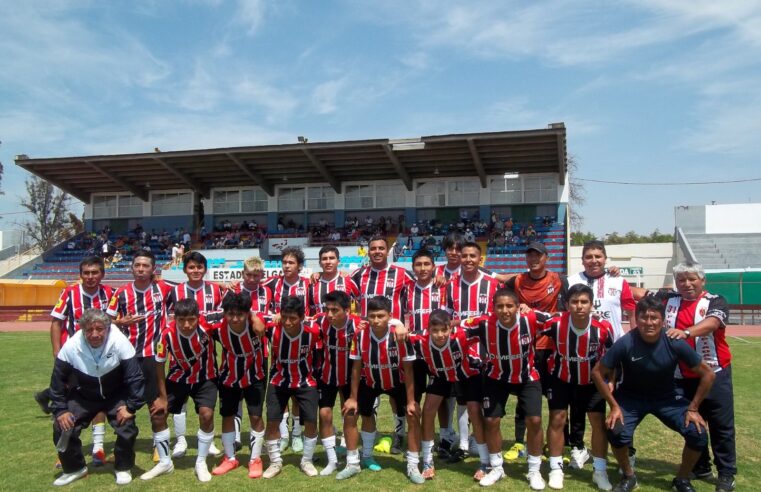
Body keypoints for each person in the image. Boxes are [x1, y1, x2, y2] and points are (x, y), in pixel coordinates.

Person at [592, 296, 715, 492]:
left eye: (654, 317)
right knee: (615, 431)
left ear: (663, 320)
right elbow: (597, 372)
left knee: (697, 433)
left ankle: (682, 480)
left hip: (667, 398)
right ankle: (629, 476)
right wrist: (614, 406)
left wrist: (693, 408)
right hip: (631, 399)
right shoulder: (626, 342)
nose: (649, 322)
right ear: (637, 319)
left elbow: (708, 374)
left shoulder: (674, 341)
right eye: (644, 317)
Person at [459, 288, 550, 489]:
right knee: (491, 420)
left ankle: (534, 470)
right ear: (493, 308)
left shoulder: (531, 318)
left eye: (510, 305)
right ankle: (497, 467)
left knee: (534, 420)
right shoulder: (484, 322)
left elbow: (559, 319)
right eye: (500, 306)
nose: (505, 310)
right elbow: (457, 325)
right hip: (496, 376)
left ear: (518, 307)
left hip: (527, 376)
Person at [658, 262, 736, 491]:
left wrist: (687, 332)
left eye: (692, 279)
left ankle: (726, 472)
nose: (687, 284)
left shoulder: (716, 300)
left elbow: (713, 323)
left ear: (702, 281)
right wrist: (615, 273)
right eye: (681, 280)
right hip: (680, 376)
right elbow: (639, 293)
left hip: (714, 373)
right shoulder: (669, 299)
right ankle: (701, 466)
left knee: (721, 426)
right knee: (692, 424)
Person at [49, 309, 145, 486]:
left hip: (116, 394)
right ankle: (75, 468)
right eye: (89, 330)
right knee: (61, 426)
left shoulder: (119, 341)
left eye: (99, 329)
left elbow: (135, 377)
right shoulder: (71, 346)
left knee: (127, 427)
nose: (94, 334)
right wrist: (61, 410)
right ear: (82, 329)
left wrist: (131, 407)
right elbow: (57, 381)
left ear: (107, 328)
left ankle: (123, 467)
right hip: (84, 394)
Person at [34, 256, 115, 466]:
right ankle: (64, 451)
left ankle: (98, 448)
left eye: (94, 272)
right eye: (86, 273)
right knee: (69, 403)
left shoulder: (110, 294)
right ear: (81, 275)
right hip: (74, 359)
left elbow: (116, 323)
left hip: (101, 358)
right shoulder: (70, 293)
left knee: (100, 400)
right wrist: (57, 353)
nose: (90, 277)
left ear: (102, 274)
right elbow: (56, 323)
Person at [565, 240, 636, 470]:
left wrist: (634, 340)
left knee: (619, 401)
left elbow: (631, 310)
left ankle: (627, 449)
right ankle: (578, 447)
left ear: (605, 258)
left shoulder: (619, 280)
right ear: (582, 259)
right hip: (581, 350)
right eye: (589, 256)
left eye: (598, 256)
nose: (594, 260)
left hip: (615, 351)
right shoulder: (571, 281)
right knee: (578, 403)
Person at [339, 296, 423, 484]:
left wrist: (410, 401)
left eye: (381, 316)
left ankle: (412, 464)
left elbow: (409, 370)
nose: (376, 320)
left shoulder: (399, 335)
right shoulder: (360, 335)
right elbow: (356, 368)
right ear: (366, 317)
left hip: (397, 382)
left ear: (390, 317)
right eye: (372, 316)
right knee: (352, 413)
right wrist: (352, 397)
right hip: (370, 382)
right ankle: (356, 461)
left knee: (413, 414)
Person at [540, 284, 614, 490]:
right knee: (557, 419)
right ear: (567, 304)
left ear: (591, 304)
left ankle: (600, 471)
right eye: (574, 302)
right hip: (561, 379)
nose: (579, 306)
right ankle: (555, 469)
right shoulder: (555, 323)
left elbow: (613, 357)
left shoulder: (603, 327)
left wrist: (612, 381)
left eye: (584, 302)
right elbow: (530, 327)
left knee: (598, 423)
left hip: (592, 382)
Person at [140, 299, 219, 483]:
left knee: (206, 415)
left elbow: (234, 313)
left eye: (191, 319)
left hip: (205, 379)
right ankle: (165, 462)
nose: (186, 325)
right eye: (181, 320)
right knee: (158, 414)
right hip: (178, 379)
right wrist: (162, 396)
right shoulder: (166, 334)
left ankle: (201, 462)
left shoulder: (207, 326)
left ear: (198, 318)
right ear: (174, 318)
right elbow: (159, 365)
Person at [503, 241, 568, 462]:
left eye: (538, 255)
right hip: (526, 347)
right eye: (530, 255)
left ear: (546, 257)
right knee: (525, 398)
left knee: (554, 399)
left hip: (550, 348)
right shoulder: (518, 280)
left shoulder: (559, 280)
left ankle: (555, 442)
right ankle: (520, 442)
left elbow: (567, 309)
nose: (534, 259)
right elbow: (502, 293)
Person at [350, 236, 415, 452]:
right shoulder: (359, 275)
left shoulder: (402, 274)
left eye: (381, 248)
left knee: (397, 389)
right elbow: (340, 292)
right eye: (373, 248)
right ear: (367, 252)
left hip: (395, 339)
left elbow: (421, 290)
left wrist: (404, 324)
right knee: (371, 386)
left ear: (388, 251)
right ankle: (371, 433)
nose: (377, 251)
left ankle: (399, 434)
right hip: (368, 338)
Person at [408, 309, 487, 481]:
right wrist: (398, 325)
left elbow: (487, 320)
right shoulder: (419, 339)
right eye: (435, 330)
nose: (440, 335)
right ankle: (428, 462)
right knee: (428, 411)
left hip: (467, 374)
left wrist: (460, 322)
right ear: (428, 329)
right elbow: (397, 333)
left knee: (474, 410)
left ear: (450, 328)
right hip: (441, 375)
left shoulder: (462, 335)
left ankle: (484, 462)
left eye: (444, 330)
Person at [165, 251, 225, 458]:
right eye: (191, 267)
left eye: (199, 267)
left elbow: (221, 316)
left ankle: (206, 443)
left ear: (205, 269)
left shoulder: (216, 290)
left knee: (206, 406)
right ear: (184, 270)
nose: (196, 271)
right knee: (179, 404)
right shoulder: (175, 291)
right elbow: (167, 319)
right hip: (179, 359)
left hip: (206, 356)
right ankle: (180, 440)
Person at [208, 293, 268, 479]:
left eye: (240, 314)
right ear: (224, 313)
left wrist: (255, 316)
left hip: (255, 376)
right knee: (227, 416)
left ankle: (255, 459)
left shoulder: (257, 323)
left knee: (256, 416)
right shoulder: (216, 326)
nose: (235, 318)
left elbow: (282, 317)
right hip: (228, 377)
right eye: (230, 314)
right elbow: (195, 317)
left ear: (247, 313)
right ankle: (230, 458)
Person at [260, 296, 321, 479]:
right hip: (279, 381)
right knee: (272, 421)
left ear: (302, 317)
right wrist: (275, 316)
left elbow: (333, 317)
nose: (287, 322)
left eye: (292, 318)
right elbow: (252, 316)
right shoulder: (273, 328)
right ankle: (275, 462)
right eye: (284, 316)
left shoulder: (314, 330)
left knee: (311, 420)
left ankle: (306, 460)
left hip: (305, 381)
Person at [263, 246, 312, 452]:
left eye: (291, 262)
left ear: (300, 266)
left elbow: (316, 309)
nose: (287, 266)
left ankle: (296, 434)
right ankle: (283, 434)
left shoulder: (309, 284)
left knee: (298, 390)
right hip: (279, 343)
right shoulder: (272, 284)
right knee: (281, 388)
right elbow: (251, 288)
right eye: (284, 262)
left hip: (303, 343)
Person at [314, 291, 364, 476]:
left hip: (349, 378)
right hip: (327, 376)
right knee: (324, 414)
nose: (330, 314)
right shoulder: (320, 321)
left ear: (346, 310)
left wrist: (398, 325)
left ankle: (353, 461)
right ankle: (332, 461)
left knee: (350, 416)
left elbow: (383, 323)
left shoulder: (358, 324)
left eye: (335, 310)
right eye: (327, 310)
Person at [308, 246, 359, 315]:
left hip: (344, 325)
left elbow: (360, 301)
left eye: (331, 258)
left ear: (338, 261)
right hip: (320, 325)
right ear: (320, 263)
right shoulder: (313, 283)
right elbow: (310, 307)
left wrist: (357, 319)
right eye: (324, 259)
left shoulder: (348, 280)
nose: (328, 262)